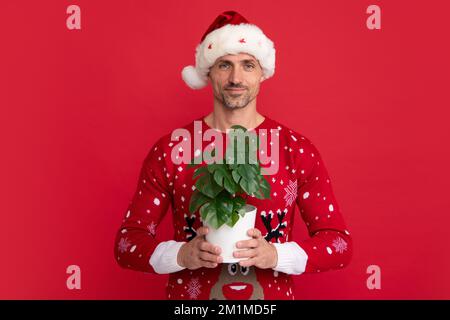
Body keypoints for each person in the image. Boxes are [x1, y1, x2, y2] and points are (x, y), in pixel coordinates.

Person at [114, 10, 352, 300]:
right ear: (208, 73)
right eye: (224, 65)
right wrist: (181, 254)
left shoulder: (295, 149)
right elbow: (127, 244)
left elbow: (339, 245)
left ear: (262, 72)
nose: (236, 78)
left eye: (248, 65)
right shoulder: (171, 150)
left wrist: (275, 254)